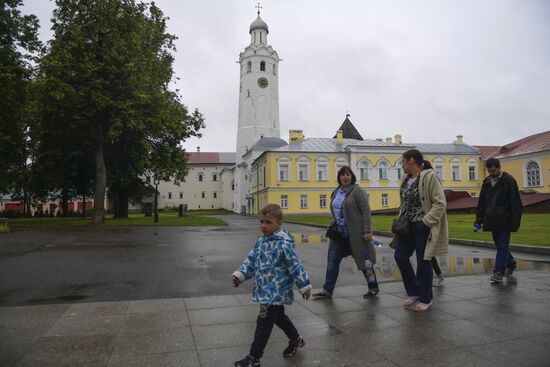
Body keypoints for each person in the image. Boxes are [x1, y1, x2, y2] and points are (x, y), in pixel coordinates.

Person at [232, 204, 312, 367]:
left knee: (264, 322)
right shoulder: (260, 242)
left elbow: (295, 265)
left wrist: (304, 285)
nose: (263, 226)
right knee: (279, 317)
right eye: (261, 221)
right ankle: (296, 340)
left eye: (268, 222)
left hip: (276, 291)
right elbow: (251, 261)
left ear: (279, 223)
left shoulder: (283, 244)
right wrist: (240, 275)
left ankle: (254, 358)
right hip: (264, 289)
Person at [313, 166, 379, 300]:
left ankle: (373, 287)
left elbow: (366, 211)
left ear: (352, 177)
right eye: (342, 175)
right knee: (332, 261)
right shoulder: (336, 191)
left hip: (356, 234)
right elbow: (335, 210)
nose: (345, 177)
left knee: (365, 262)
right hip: (339, 234)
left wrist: (367, 231)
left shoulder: (357, 191)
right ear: (339, 178)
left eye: (348, 175)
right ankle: (327, 291)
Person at [394, 149, 448, 312]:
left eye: (403, 161)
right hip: (406, 227)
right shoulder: (405, 179)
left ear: (411, 160)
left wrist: (425, 222)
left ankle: (426, 298)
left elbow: (440, 203)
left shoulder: (430, 176)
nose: (402, 165)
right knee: (400, 256)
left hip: (422, 226)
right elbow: (404, 205)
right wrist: (397, 232)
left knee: (423, 262)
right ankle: (414, 291)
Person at [475, 158, 522, 284]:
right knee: (501, 245)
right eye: (489, 171)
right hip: (492, 220)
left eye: (493, 170)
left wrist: (515, 221)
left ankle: (499, 272)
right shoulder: (487, 181)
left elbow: (515, 203)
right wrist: (478, 220)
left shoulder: (509, 181)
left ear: (499, 167)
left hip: (505, 220)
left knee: (502, 246)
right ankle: (511, 263)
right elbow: (482, 203)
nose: (491, 173)